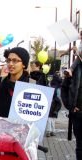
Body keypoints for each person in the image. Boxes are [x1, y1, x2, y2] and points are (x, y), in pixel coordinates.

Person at [0, 47, 33, 117]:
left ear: (24, 64)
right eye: (8, 60)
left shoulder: (33, 85)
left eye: (15, 61)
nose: (10, 64)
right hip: (0, 126)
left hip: (24, 127)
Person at [61, 30, 82, 160]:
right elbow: (64, 88)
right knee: (80, 146)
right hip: (79, 113)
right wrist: (70, 106)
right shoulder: (75, 69)